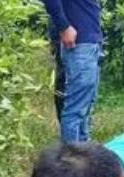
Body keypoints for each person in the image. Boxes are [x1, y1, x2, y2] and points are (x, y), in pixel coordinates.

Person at [42, 0, 104, 142]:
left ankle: (82, 153)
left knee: (86, 106)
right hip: (79, 43)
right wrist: (64, 27)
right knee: (76, 108)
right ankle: (70, 158)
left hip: (90, 41)